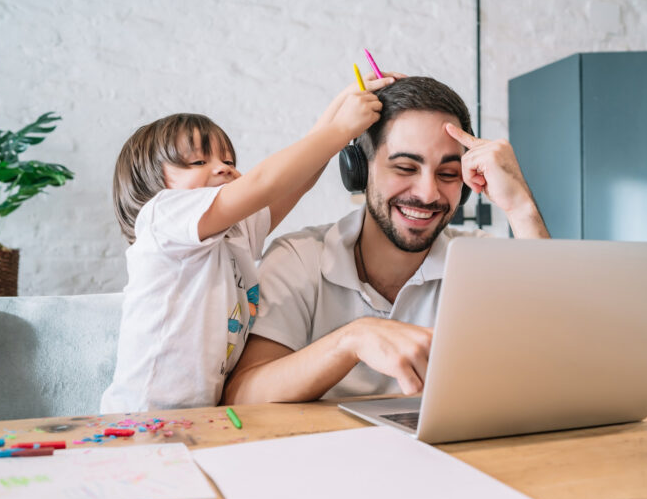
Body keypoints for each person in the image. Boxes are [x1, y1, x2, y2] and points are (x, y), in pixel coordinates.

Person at [222, 76, 549, 404]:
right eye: (405, 167)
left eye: (448, 174)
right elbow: (242, 396)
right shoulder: (298, 258)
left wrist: (520, 206)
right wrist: (352, 340)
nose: (428, 193)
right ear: (359, 172)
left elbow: (557, 353)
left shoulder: (476, 259)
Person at [100, 73, 397, 413]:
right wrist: (342, 129)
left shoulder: (233, 235)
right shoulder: (162, 219)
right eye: (199, 162)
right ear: (148, 181)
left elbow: (294, 182)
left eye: (229, 161)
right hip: (138, 415)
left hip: (200, 418)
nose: (223, 169)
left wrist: (344, 102)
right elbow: (264, 182)